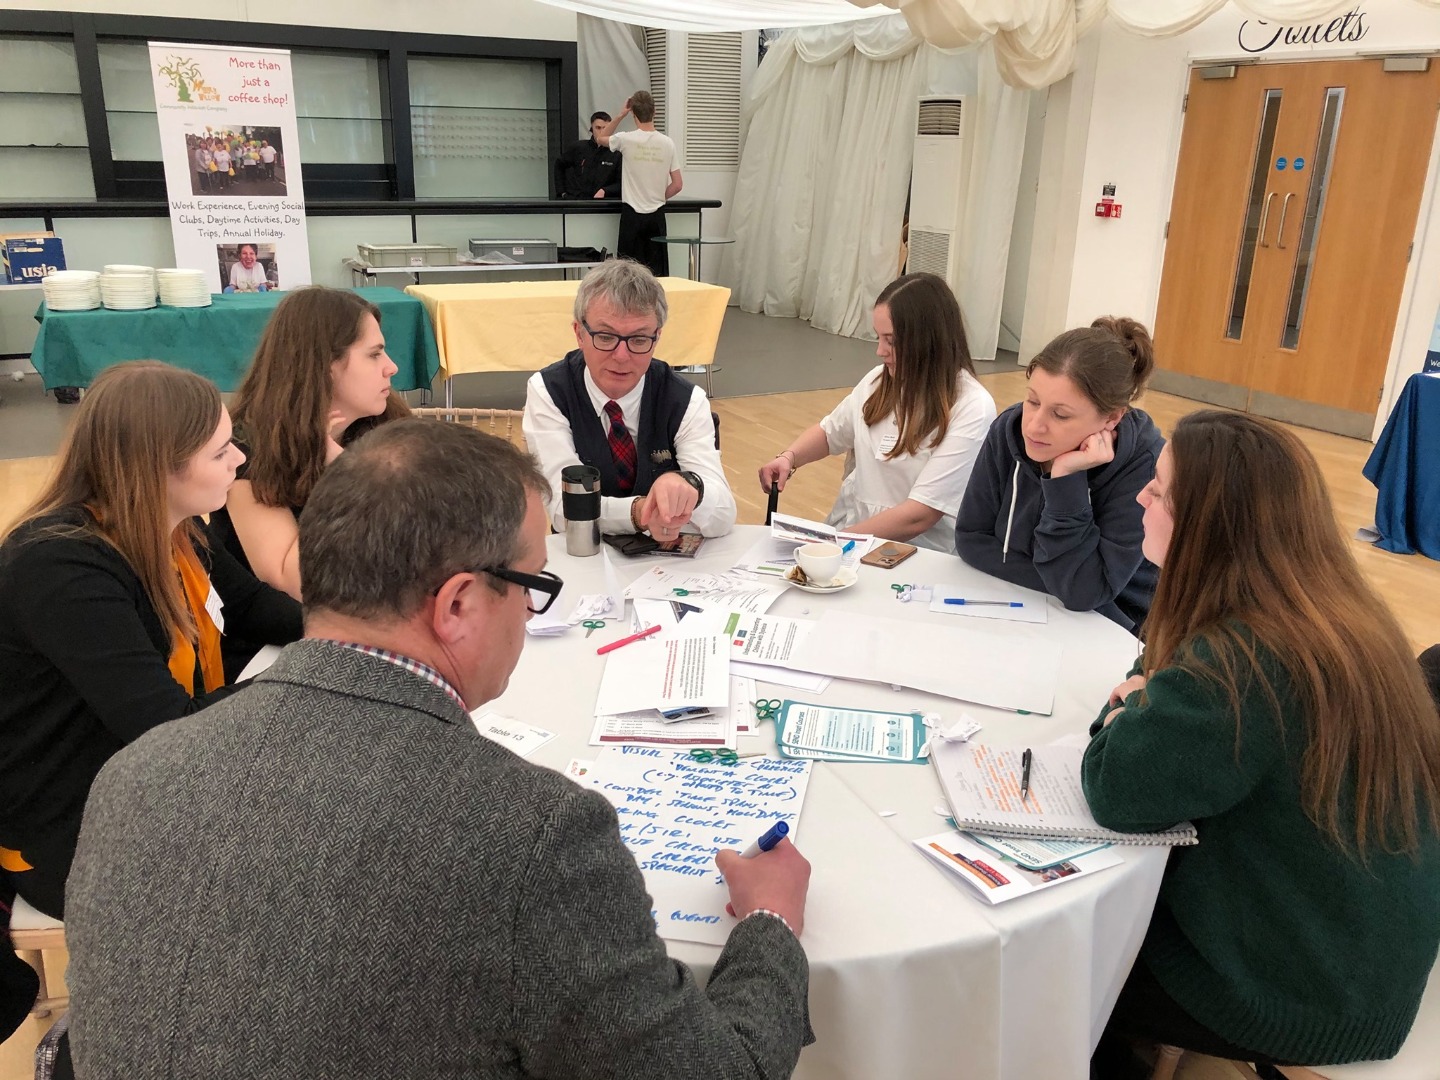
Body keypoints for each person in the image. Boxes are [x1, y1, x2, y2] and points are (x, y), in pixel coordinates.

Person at [65, 418, 814, 1079]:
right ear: (457, 604)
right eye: (531, 584)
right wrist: (770, 924)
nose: (528, 608)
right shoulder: (534, 836)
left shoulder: (135, 774)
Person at [1085, 411, 1440, 1072]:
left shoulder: (1241, 662)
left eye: (1159, 492)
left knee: (1075, 965)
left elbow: (1116, 788)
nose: (1139, 497)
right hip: (1365, 960)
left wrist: (1134, 700)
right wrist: (1152, 683)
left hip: (1300, 995)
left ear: (1206, 529)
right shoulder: (1336, 611)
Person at [0, 361, 302, 921]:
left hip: (156, 780)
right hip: (75, 826)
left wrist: (361, 634)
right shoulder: (60, 569)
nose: (240, 458)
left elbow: (257, 609)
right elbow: (168, 727)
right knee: (310, 867)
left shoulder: (177, 525)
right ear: (155, 470)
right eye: (220, 452)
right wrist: (324, 670)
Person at [757, 272, 996, 553]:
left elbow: (919, 516)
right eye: (879, 338)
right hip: (855, 536)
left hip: (917, 552)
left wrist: (832, 542)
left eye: (892, 341)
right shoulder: (878, 382)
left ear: (928, 341)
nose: (880, 351)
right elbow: (831, 432)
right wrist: (790, 457)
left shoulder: (972, 407)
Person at [954, 316, 1163, 631]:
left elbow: (1085, 592)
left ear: (1113, 417)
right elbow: (970, 539)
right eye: (1033, 401)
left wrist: (1065, 478)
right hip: (1020, 606)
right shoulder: (1009, 429)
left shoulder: (1144, 463)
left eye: (1060, 414)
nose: (1035, 425)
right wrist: (1065, 583)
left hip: (1111, 629)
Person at [211, 286, 409, 602]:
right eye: (374, 354)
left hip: (380, 613)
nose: (391, 367)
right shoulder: (245, 451)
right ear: (324, 365)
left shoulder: (385, 426)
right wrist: (344, 478)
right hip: (282, 639)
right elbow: (295, 584)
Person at [523, 258, 735, 540]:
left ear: (657, 337)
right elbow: (564, 511)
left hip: (662, 564)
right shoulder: (550, 391)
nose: (621, 356)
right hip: (584, 555)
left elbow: (723, 516)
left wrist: (691, 487)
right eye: (606, 337)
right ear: (579, 334)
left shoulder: (685, 400)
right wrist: (641, 511)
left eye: (638, 339)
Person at [595, 90, 680, 277]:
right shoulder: (668, 143)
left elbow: (600, 139)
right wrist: (659, 195)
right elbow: (677, 184)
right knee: (657, 273)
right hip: (656, 215)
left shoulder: (626, 139)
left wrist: (620, 115)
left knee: (628, 274)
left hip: (631, 215)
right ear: (654, 111)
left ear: (633, 114)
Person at [554, 111, 622, 199]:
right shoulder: (579, 148)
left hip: (604, 205)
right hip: (577, 204)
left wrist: (605, 190)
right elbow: (559, 164)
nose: (602, 131)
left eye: (605, 128)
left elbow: (622, 183)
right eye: (598, 127)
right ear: (592, 128)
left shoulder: (617, 153)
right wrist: (561, 192)